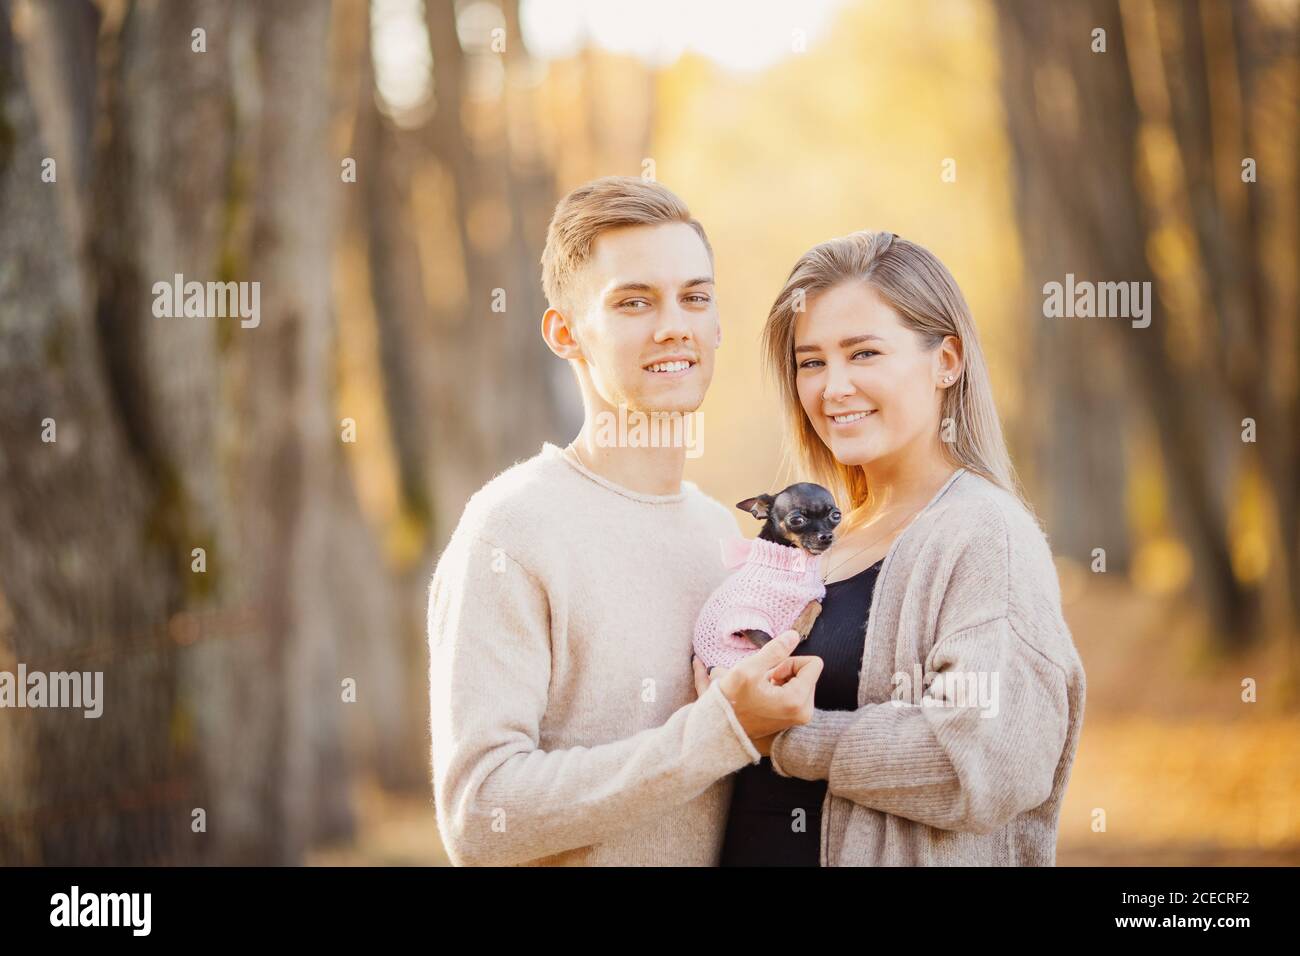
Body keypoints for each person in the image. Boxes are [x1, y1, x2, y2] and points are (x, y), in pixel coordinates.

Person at [427, 176, 823, 866]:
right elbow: (480, 812)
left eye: (694, 298)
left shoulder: (720, 537)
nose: (674, 324)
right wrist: (716, 731)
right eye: (634, 302)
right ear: (565, 332)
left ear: (718, 323)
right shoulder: (511, 532)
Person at [717, 230, 1086, 866]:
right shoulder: (819, 545)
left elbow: (981, 758)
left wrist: (779, 738)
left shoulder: (983, 537)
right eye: (811, 362)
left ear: (947, 360)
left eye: (863, 353)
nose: (833, 388)